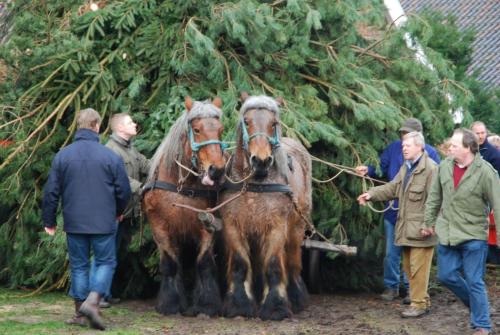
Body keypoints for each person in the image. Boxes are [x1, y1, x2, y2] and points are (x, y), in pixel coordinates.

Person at [42, 108, 131, 330]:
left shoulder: (63, 155)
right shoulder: (110, 156)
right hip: (104, 221)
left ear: (78, 126)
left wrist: (49, 220)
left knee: (79, 266)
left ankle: (80, 313)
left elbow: (51, 191)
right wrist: (119, 211)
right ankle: (93, 302)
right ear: (97, 126)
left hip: (74, 221)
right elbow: (124, 190)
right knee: (105, 262)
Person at [423, 128, 500, 335]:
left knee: (475, 280)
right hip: (447, 232)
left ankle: (482, 326)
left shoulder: (485, 171)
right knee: (446, 276)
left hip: (474, 234)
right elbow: (434, 197)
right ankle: (477, 306)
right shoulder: (444, 166)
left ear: (467, 148)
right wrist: (428, 222)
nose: (450, 148)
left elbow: (498, 204)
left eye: (455, 145)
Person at [355, 118, 440, 303]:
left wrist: (429, 222)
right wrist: (370, 188)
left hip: (417, 219)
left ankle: (415, 296)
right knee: (392, 253)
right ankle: (392, 287)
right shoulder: (400, 158)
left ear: (419, 142)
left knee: (415, 260)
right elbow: (390, 182)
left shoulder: (432, 162)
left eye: (408, 139)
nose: (403, 143)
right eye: (403, 136)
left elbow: (436, 197)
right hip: (395, 213)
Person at [91, 113, 150, 307]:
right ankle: (96, 296)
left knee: (113, 253)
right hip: (112, 213)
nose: (134, 124)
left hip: (125, 213)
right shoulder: (111, 150)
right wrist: (142, 188)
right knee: (104, 254)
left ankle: (105, 293)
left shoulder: (130, 149)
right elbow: (121, 178)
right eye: (130, 122)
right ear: (119, 129)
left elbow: (147, 165)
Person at [471, 122, 500, 265]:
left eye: (483, 133)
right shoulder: (469, 150)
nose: (481, 136)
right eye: (478, 133)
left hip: (486, 200)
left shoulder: (492, 153)